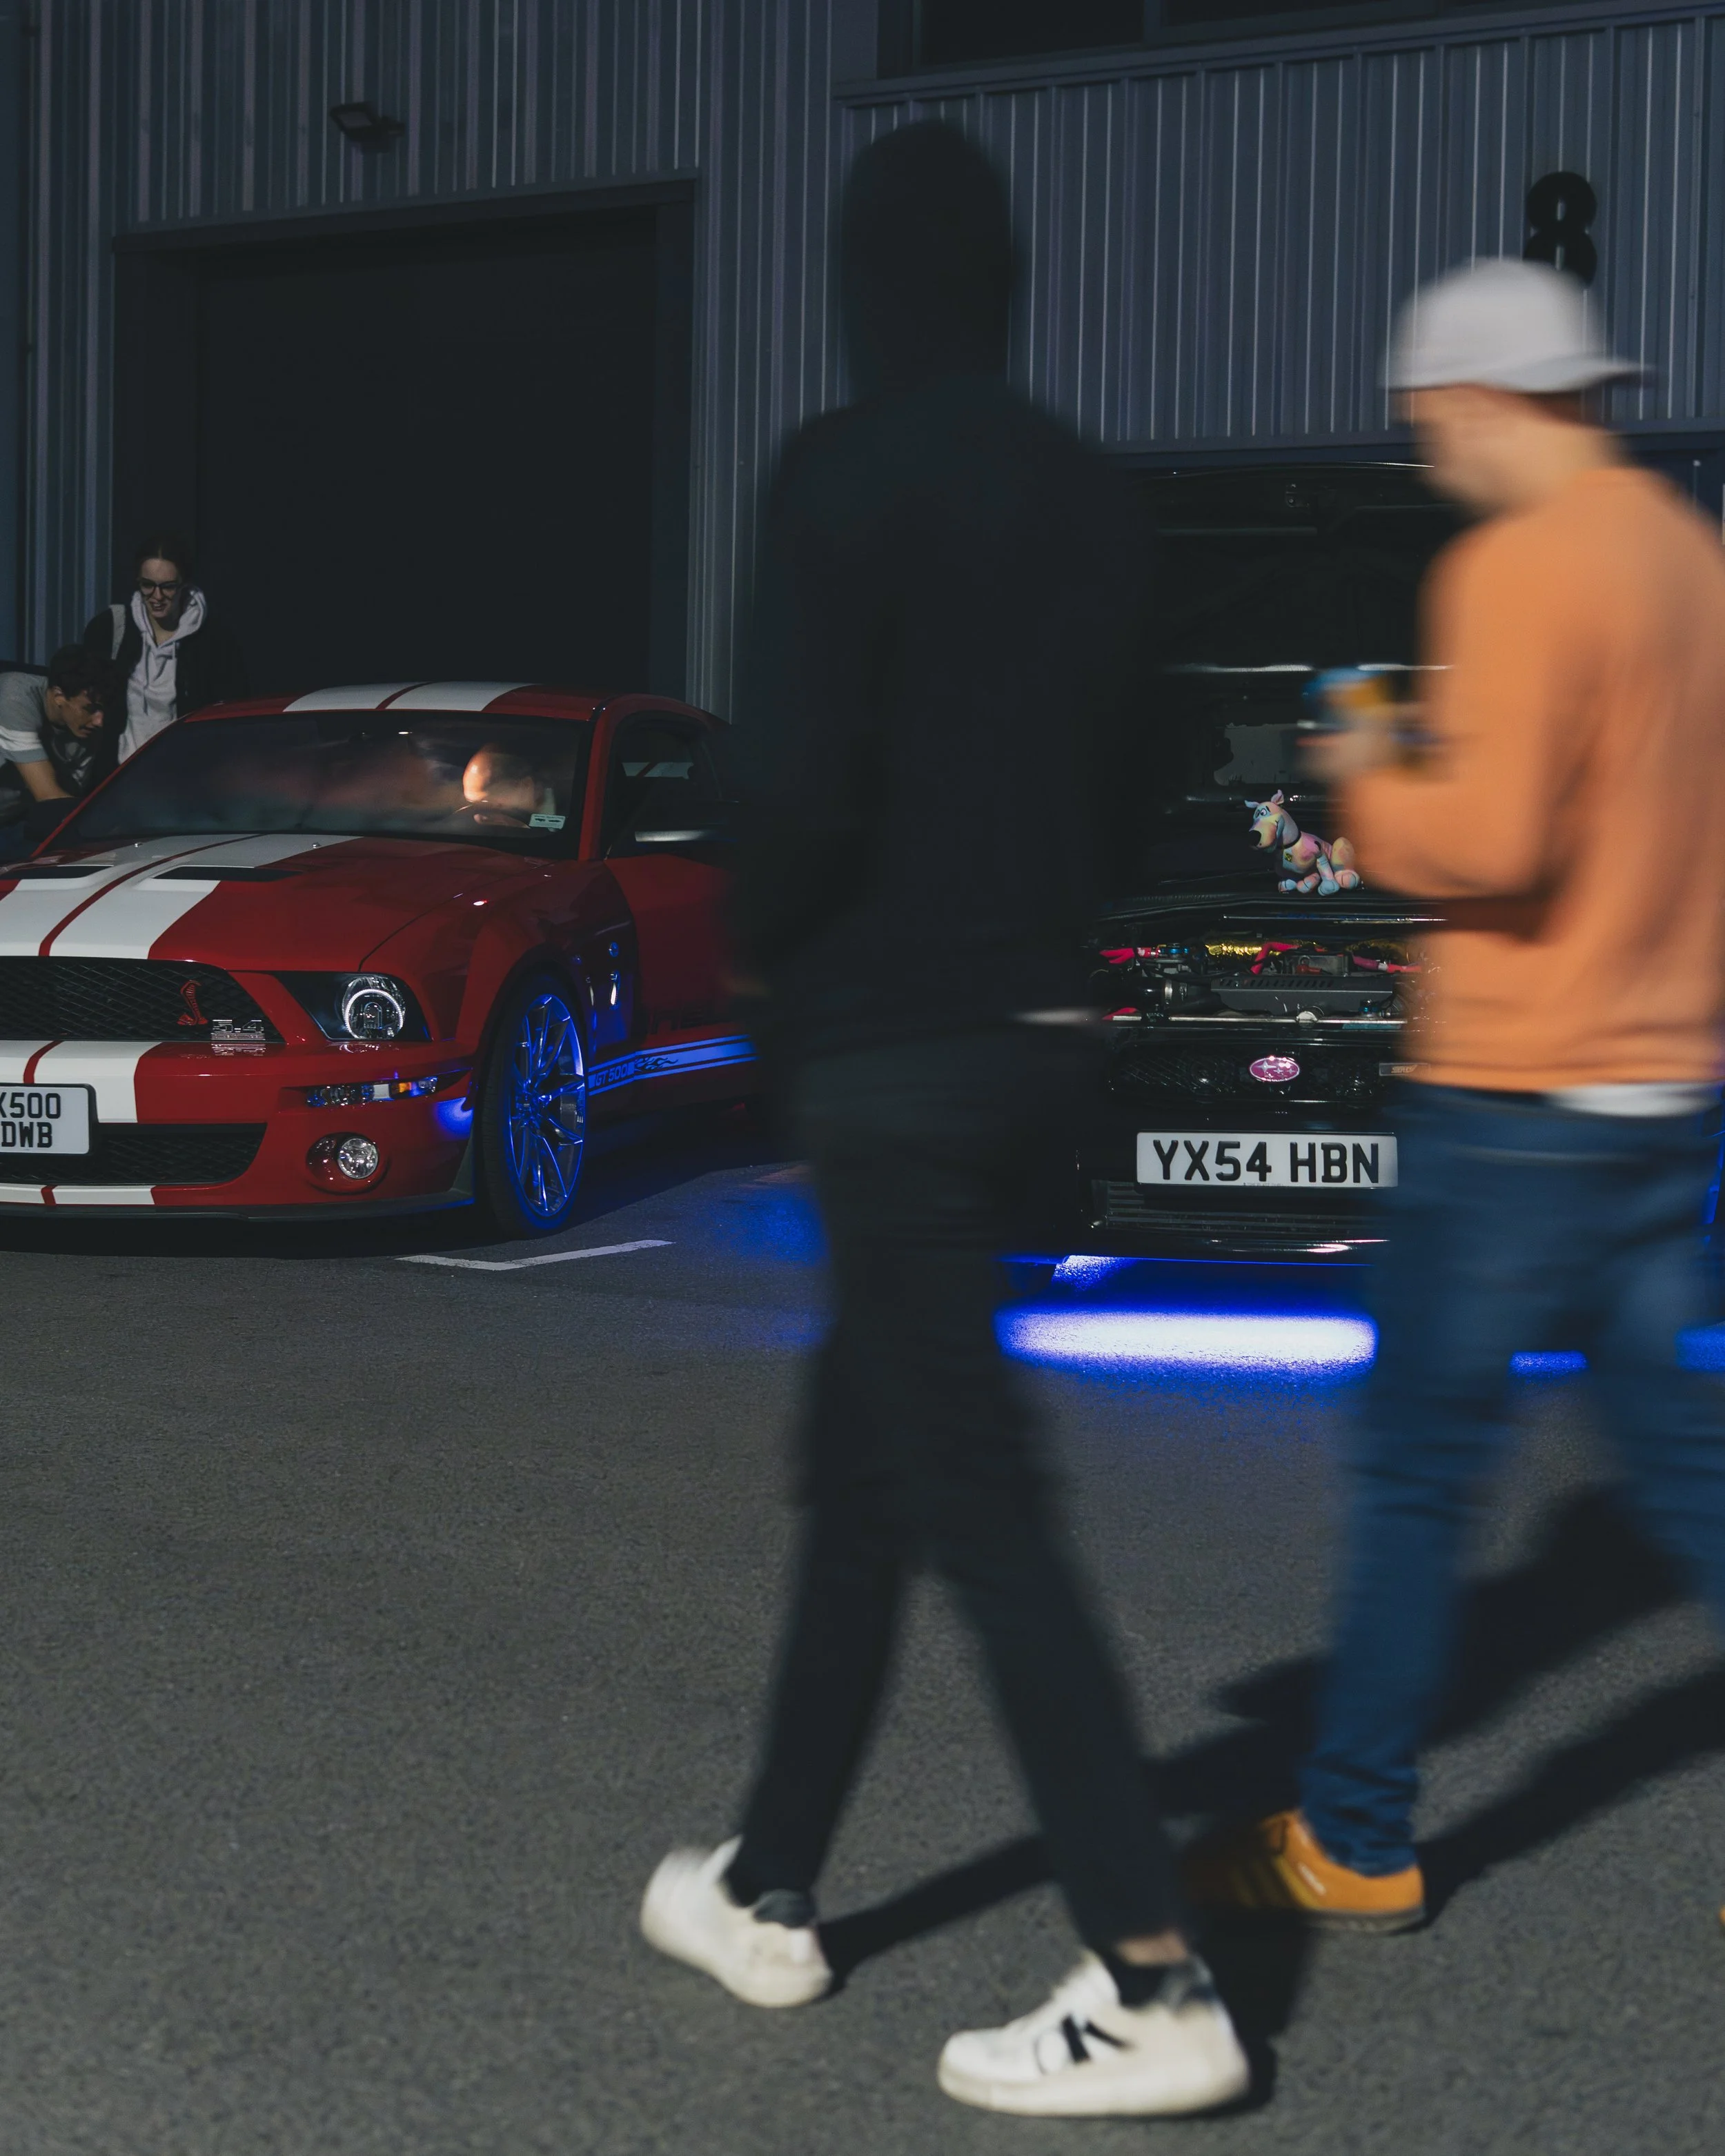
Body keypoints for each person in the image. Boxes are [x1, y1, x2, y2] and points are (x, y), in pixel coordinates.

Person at [637, 122, 1248, 2120]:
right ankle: (767, 1878)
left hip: (888, 1046)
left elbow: (795, 780)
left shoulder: (839, 472)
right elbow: (1160, 762)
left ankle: (1152, 1973)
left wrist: (765, 947)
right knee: (873, 1462)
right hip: (1037, 1034)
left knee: (976, 1505)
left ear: (860, 285)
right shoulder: (1092, 494)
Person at [1186, 258, 1725, 1932]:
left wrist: (1363, 760)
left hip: (1510, 1097)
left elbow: (1482, 846)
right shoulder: (1690, 558)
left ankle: (1353, 1834)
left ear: (1496, 401)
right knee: (1690, 1467)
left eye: (1433, 427)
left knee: (1422, 1474)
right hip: (1665, 1088)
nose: (1432, 461)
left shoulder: (1514, 567)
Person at [82, 530, 247, 762]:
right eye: (147, 585)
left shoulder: (214, 641)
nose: (157, 596)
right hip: (120, 779)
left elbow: (231, 717)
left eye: (168, 586)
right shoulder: (110, 629)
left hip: (184, 778)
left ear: (185, 585)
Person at [0, 643, 115, 858]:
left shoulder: (87, 728)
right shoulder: (13, 698)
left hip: (14, 823)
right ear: (58, 696)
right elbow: (50, 798)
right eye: (89, 709)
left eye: (103, 709)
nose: (100, 721)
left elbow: (69, 806)